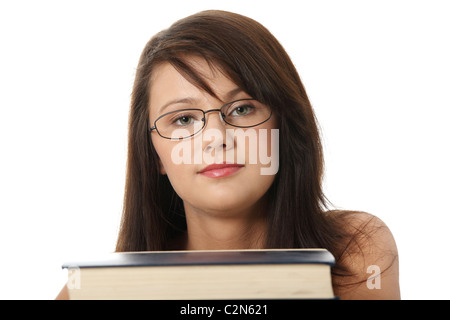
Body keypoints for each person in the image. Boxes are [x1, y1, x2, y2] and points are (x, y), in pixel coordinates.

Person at [57, 10, 400, 300]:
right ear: (155, 156)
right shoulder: (90, 290)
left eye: (242, 109)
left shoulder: (355, 247)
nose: (216, 139)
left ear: (284, 128)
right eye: (184, 119)